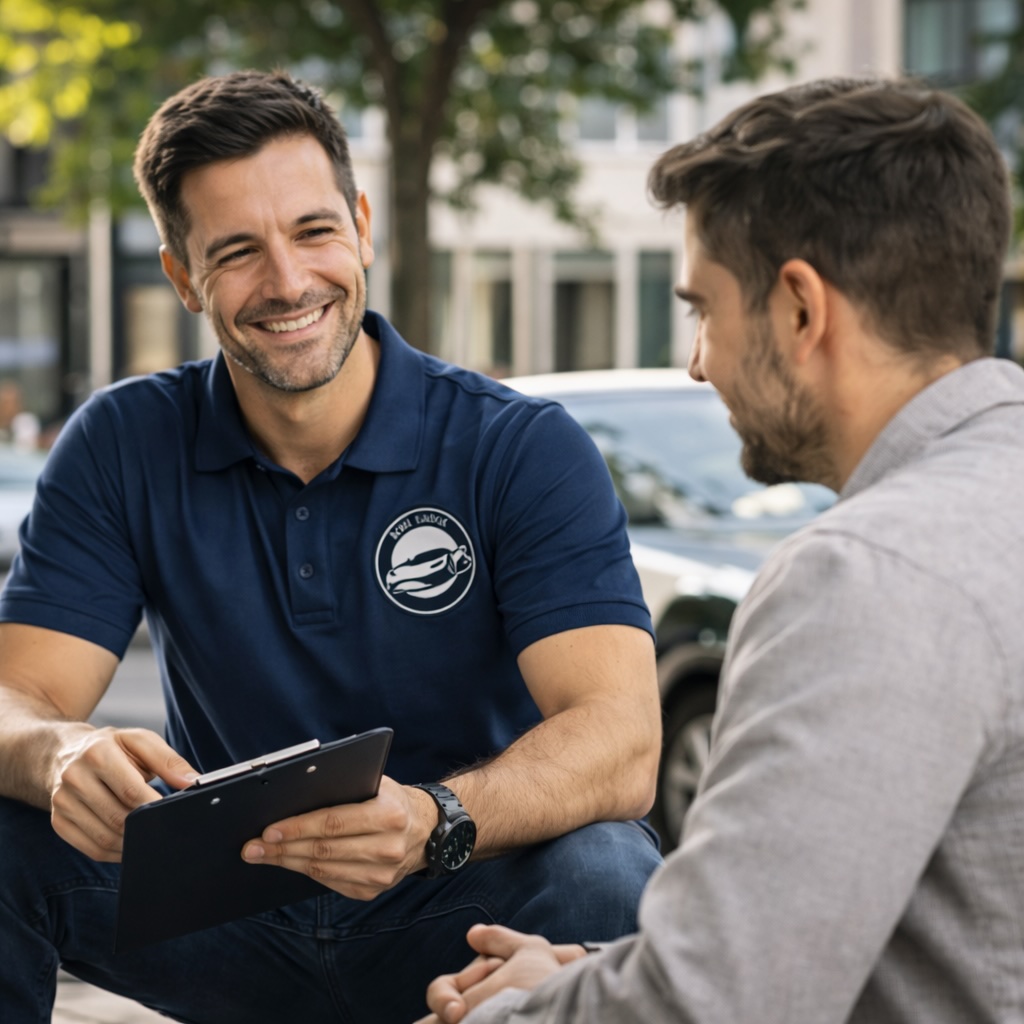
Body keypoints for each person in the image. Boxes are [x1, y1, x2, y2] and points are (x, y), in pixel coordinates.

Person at [0, 70, 664, 1024]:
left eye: (313, 231)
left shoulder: (518, 447)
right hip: (225, 909)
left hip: (462, 900)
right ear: (183, 277)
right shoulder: (122, 443)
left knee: (607, 865)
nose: (287, 281)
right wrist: (59, 753)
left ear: (361, 224)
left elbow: (623, 739)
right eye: (236, 251)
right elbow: (18, 700)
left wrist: (434, 819)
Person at [417, 76, 1024, 1024]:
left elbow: (718, 1003)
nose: (697, 360)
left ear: (798, 310)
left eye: (703, 308)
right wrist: (594, 975)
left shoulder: (864, 575)